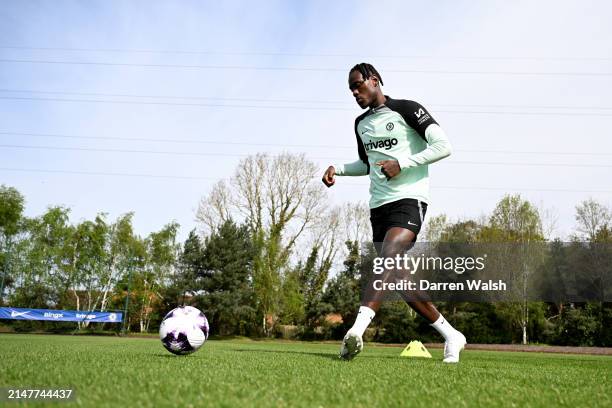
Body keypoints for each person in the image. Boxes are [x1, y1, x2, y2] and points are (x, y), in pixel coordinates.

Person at [322, 63, 466, 363]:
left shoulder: (407, 109)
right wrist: (340, 169)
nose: (354, 92)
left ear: (374, 81)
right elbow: (367, 163)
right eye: (350, 89)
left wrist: (404, 164)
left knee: (389, 253)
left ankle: (356, 331)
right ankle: (452, 334)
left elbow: (444, 146)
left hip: (409, 199)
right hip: (378, 208)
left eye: (358, 85)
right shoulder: (360, 124)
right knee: (399, 279)